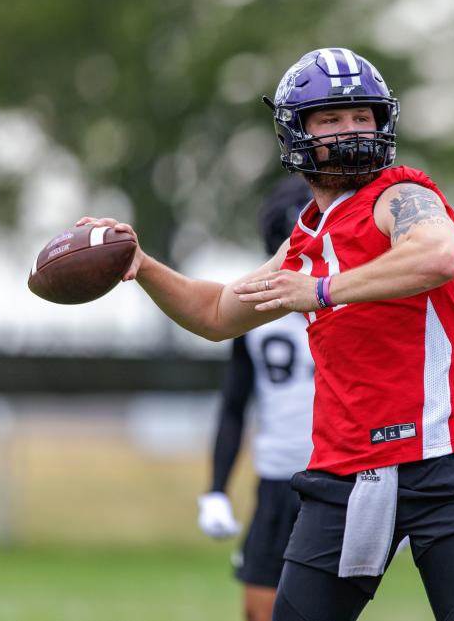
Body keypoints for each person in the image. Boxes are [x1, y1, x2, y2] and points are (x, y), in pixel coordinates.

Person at [78, 47, 454, 621]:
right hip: (345, 475)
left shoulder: (402, 196)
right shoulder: (304, 241)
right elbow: (215, 314)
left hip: (446, 466)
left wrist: (323, 291)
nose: (352, 129)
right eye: (331, 119)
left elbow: (440, 254)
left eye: (362, 116)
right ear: (296, 132)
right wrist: (144, 265)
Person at [196, 176, 315, 621]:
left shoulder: (358, 296)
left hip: (345, 474)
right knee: (260, 609)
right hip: (279, 476)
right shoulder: (254, 309)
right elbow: (234, 404)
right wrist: (216, 490)